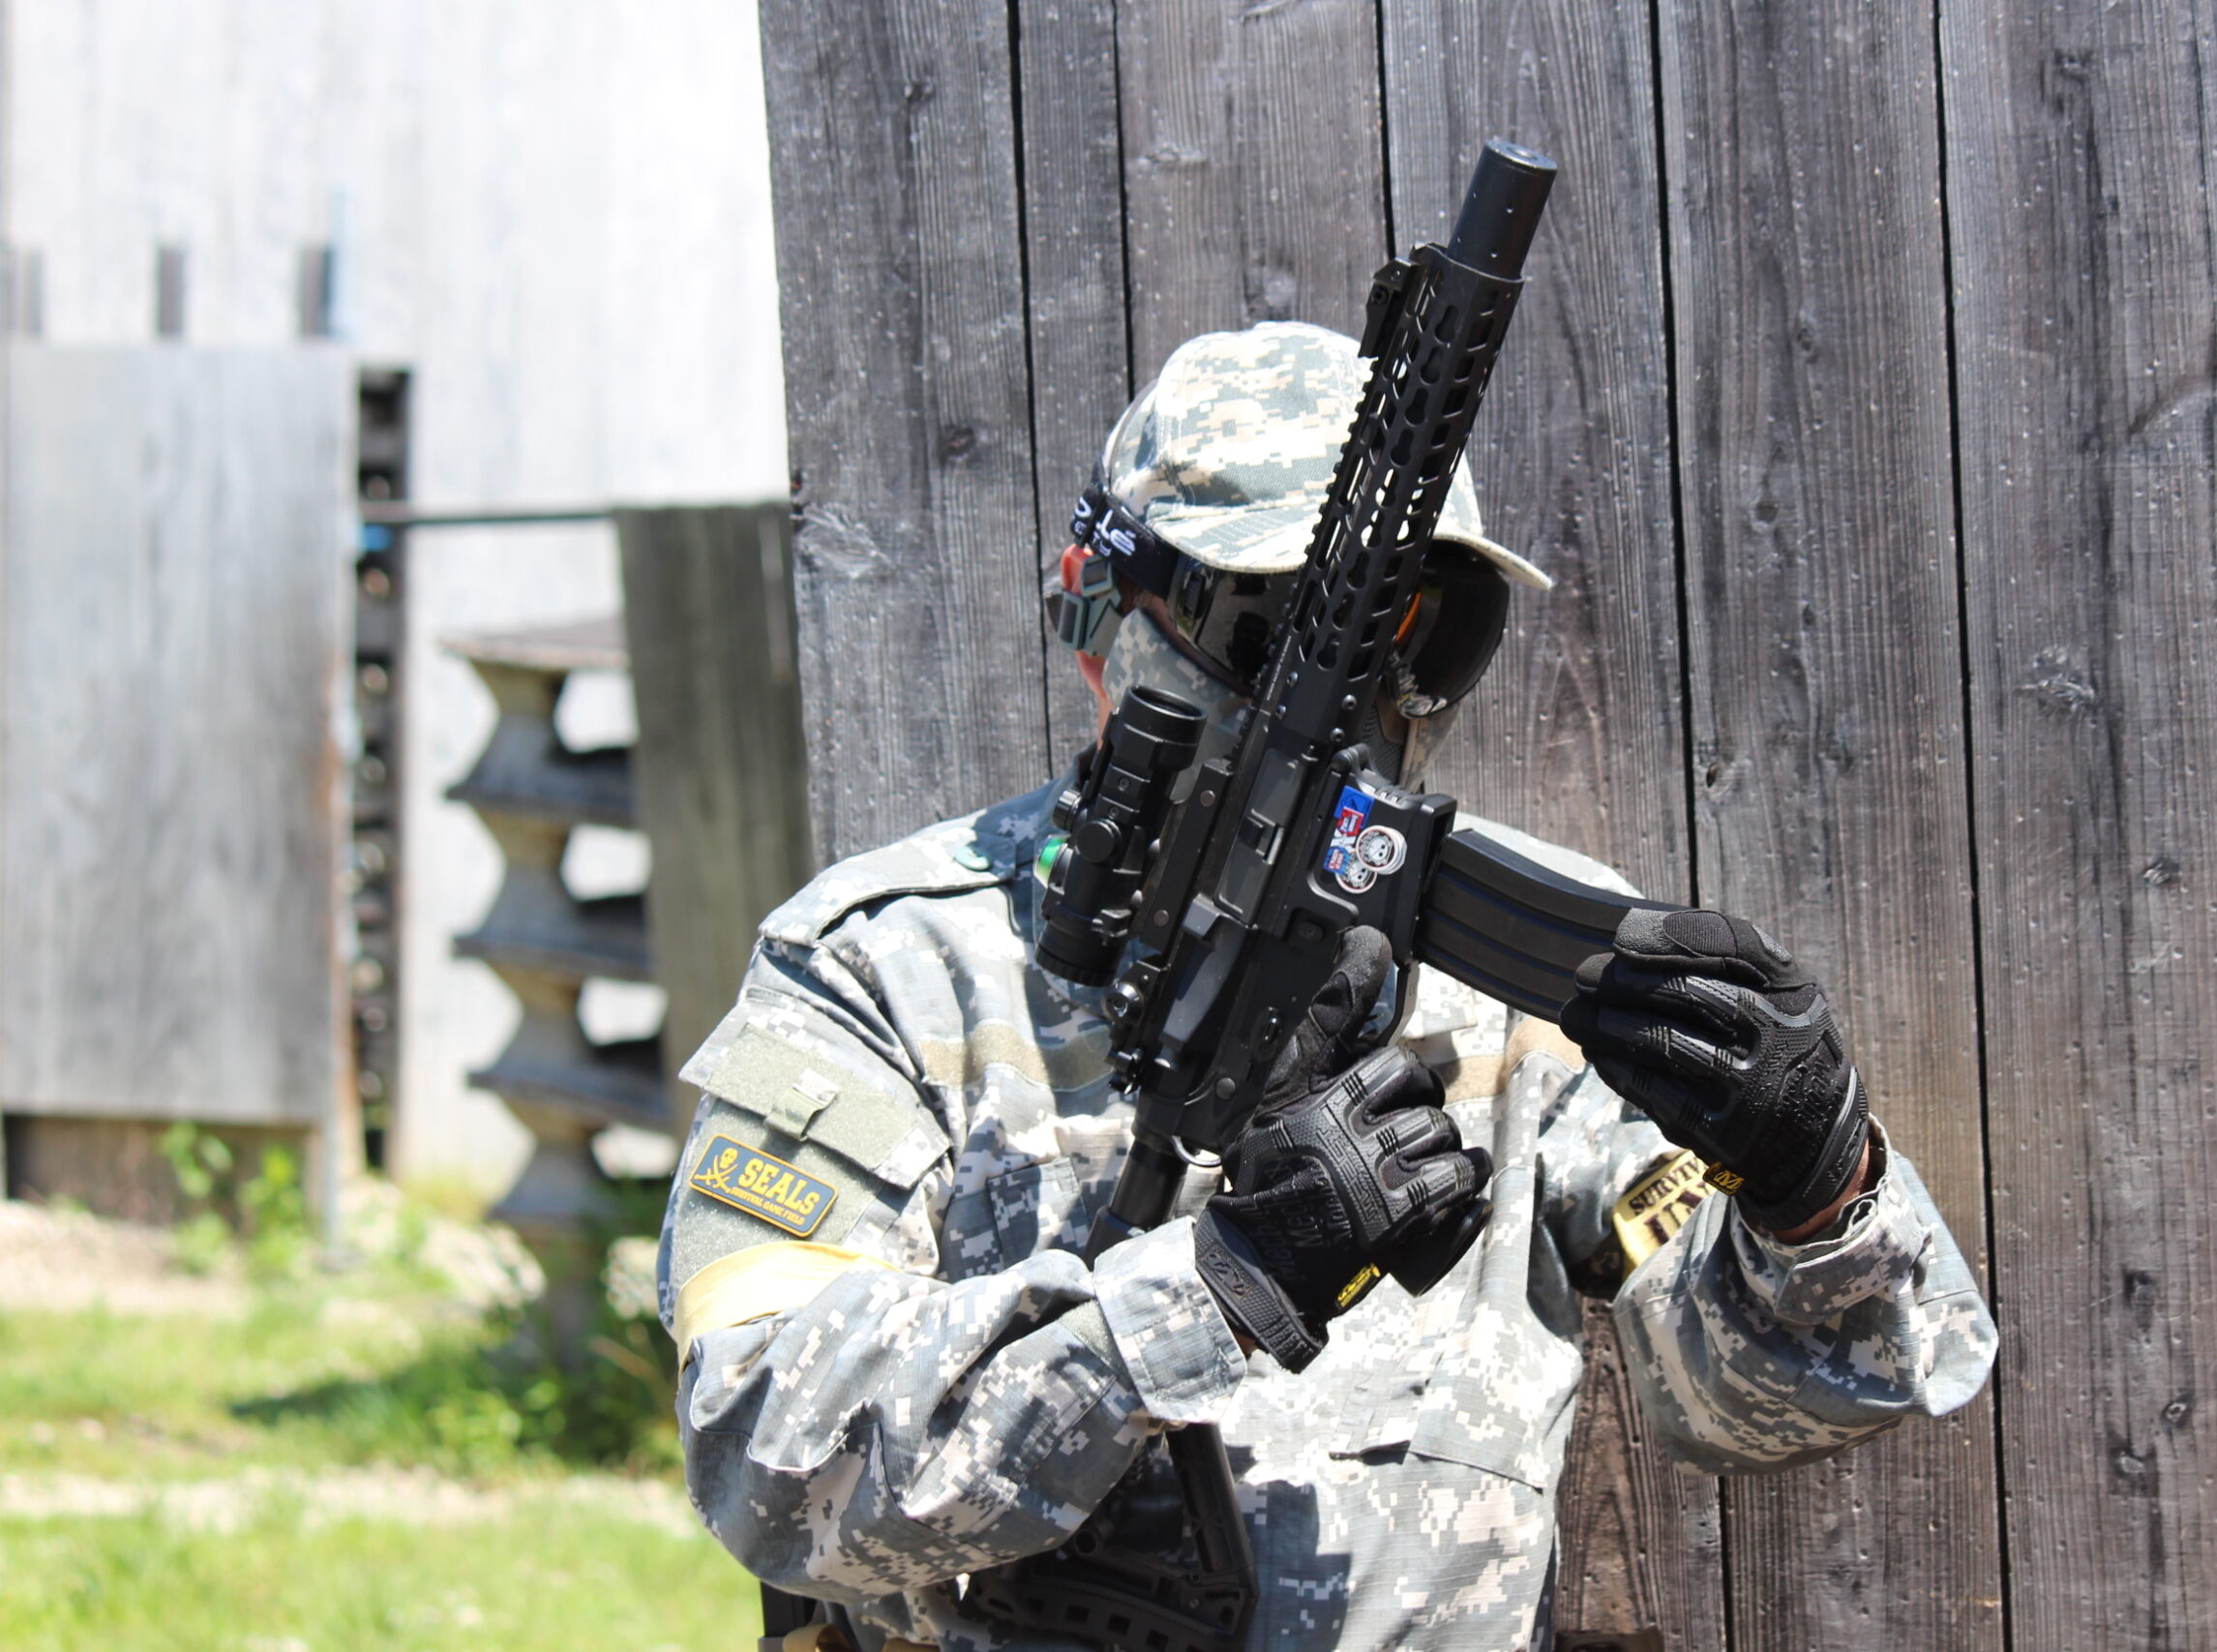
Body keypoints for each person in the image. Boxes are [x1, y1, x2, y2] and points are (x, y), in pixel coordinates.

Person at [656, 321, 1996, 1652]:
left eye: (1419, 631)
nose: (1356, 692)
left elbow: (1763, 1402)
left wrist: (1814, 1184)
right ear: (1095, 609)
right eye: (1268, 625)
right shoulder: (891, 968)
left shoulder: (1507, 981)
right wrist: (1214, 1285)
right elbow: (764, 1453)